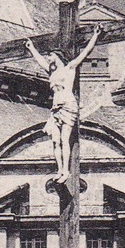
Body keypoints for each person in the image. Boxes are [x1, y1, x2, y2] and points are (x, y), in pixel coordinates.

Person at [24, 25, 102, 183]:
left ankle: (65, 171)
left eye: (50, 55)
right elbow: (39, 61)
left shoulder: (69, 68)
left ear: (57, 56)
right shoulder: (52, 72)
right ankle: (59, 170)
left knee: (65, 139)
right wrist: (31, 48)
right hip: (55, 109)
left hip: (67, 106)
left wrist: (95, 36)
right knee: (55, 141)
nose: (48, 58)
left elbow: (85, 53)